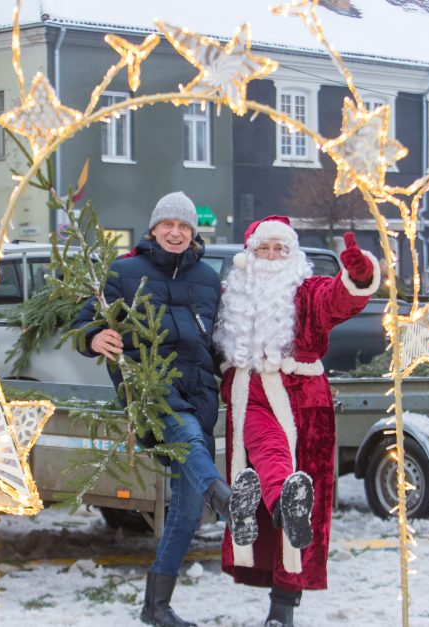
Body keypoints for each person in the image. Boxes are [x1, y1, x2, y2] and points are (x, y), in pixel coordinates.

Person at [73, 192, 261, 627]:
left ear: (193, 233)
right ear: (154, 229)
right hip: (149, 388)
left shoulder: (210, 280)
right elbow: (86, 318)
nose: (175, 233)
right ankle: (230, 504)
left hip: (197, 392)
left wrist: (239, 367)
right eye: (168, 225)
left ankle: (155, 606)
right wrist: (93, 336)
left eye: (184, 226)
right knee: (191, 440)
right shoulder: (123, 271)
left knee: (187, 510)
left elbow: (219, 341)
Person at [213, 216, 380, 627]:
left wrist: (358, 276)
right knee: (269, 456)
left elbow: (337, 298)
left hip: (302, 403)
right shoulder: (231, 293)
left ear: (293, 256)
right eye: (264, 250)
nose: (271, 257)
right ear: (249, 256)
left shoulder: (306, 292)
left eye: (280, 250)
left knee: (290, 476)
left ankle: (282, 609)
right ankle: (285, 506)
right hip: (249, 392)